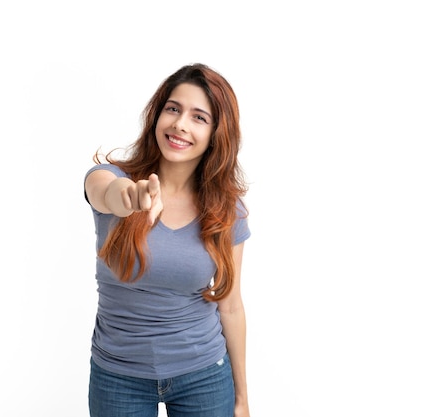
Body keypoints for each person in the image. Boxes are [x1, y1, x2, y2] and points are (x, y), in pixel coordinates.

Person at [83, 63, 251, 417]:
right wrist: (129, 196)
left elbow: (231, 304)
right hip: (118, 376)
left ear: (216, 134)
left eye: (198, 117)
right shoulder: (112, 177)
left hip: (204, 374)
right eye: (173, 109)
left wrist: (242, 398)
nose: (180, 124)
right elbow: (104, 192)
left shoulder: (225, 208)